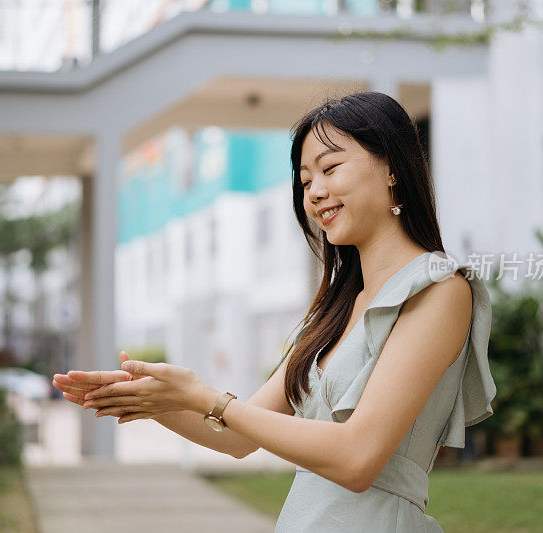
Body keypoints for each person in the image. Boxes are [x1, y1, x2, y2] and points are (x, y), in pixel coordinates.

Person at [53, 91, 497, 532]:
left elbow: (358, 458)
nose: (315, 193)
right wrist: (160, 400)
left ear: (392, 170)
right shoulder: (334, 311)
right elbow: (236, 436)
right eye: (305, 181)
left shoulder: (440, 289)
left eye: (330, 168)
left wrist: (206, 397)